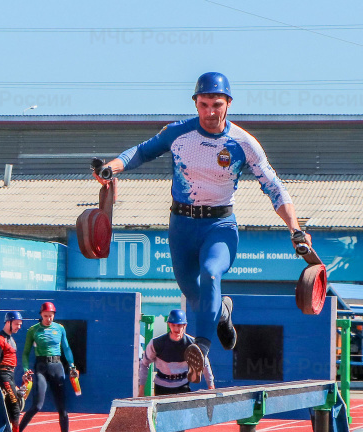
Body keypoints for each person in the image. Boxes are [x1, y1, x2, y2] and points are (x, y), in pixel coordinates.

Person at [96, 72, 312, 372]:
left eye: (217, 105)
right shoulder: (178, 133)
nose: (210, 112)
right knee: (192, 292)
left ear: (229, 104)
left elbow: (274, 187)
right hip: (181, 226)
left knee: (211, 273)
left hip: (219, 227)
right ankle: (222, 310)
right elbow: (141, 152)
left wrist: (295, 228)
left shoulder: (244, 143)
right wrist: (112, 167)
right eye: (204, 104)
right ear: (196, 103)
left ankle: (203, 346)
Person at [138, 309, 214, 432]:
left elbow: (205, 363)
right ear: (168, 325)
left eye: (179, 325)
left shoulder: (192, 344)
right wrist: (141, 391)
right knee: (166, 431)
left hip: (182, 387)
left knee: (179, 429)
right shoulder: (157, 344)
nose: (176, 328)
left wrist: (211, 385)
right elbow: (144, 364)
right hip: (162, 387)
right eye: (173, 325)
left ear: (185, 325)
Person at [19, 302, 78, 432]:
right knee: (37, 405)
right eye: (45, 316)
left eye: (51, 316)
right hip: (41, 367)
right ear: (41, 315)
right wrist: (26, 369)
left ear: (54, 315)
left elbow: (66, 348)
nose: (48, 319)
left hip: (57, 366)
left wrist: (71, 365)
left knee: (62, 408)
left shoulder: (60, 328)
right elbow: (25, 352)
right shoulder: (33, 330)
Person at [0, 311, 29, 432]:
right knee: (14, 406)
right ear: (8, 322)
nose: (19, 327)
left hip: (10, 375)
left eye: (20, 324)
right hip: (3, 375)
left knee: (15, 406)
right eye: (17, 324)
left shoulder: (11, 340)